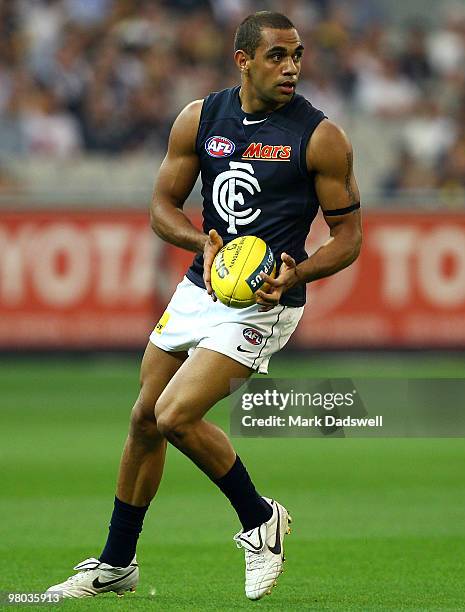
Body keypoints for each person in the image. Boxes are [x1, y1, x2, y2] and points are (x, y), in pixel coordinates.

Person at [46, 11, 362, 601]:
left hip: (266, 300)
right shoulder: (200, 118)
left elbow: (349, 238)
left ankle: (260, 520)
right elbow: (162, 205)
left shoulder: (320, 137)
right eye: (276, 56)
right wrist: (201, 243)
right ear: (242, 60)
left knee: (175, 415)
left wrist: (299, 268)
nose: (291, 66)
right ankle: (117, 563)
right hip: (201, 286)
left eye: (296, 55)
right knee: (144, 418)